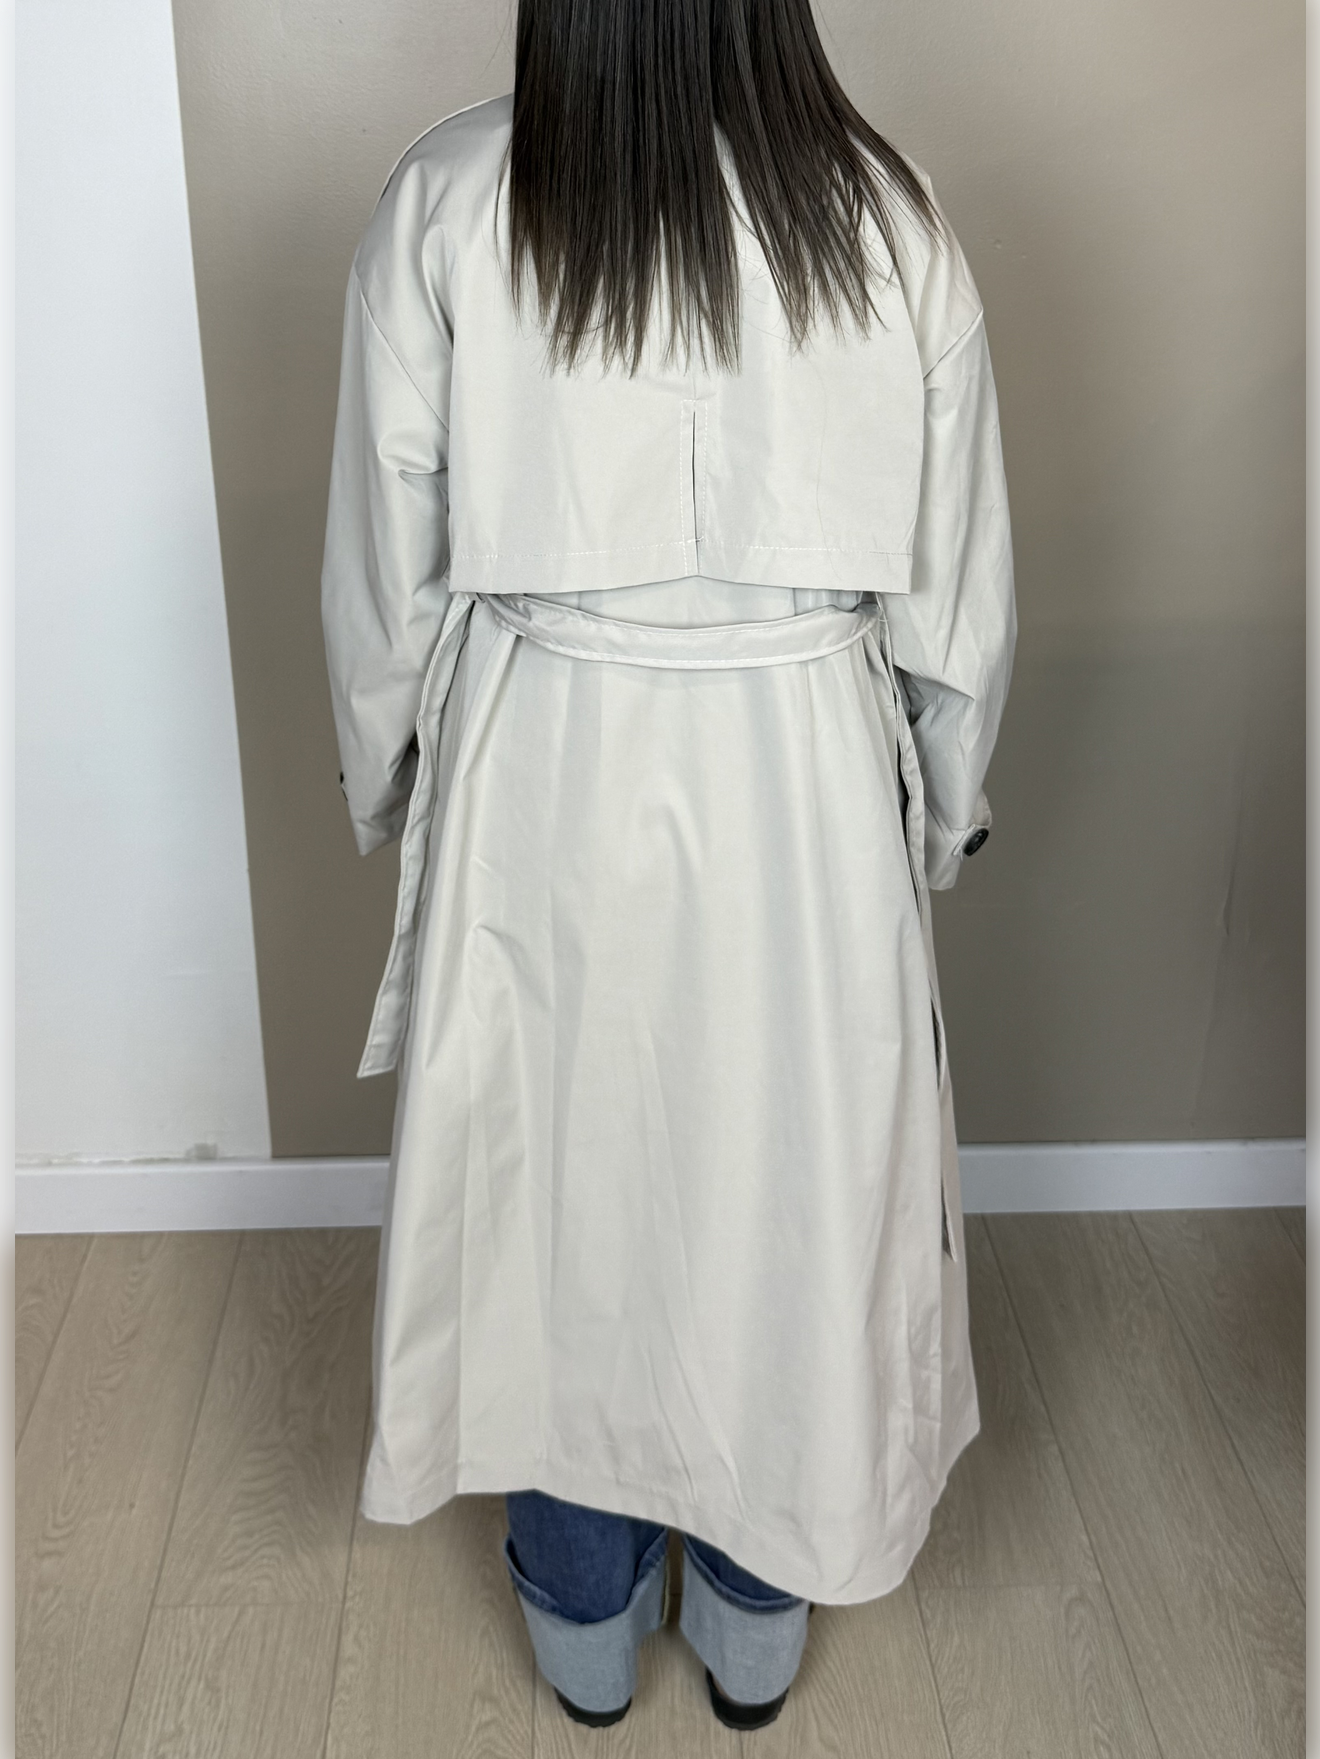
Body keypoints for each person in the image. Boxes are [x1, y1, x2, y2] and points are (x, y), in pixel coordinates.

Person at [321, 0, 1015, 1732]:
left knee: (559, 1209)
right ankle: (757, 1626)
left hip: (544, 762)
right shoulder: (888, 212)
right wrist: (943, 803)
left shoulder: (449, 199)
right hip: (804, 779)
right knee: (795, 1189)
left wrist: (386, 772)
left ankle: (580, 1625)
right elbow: (956, 593)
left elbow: (385, 569)